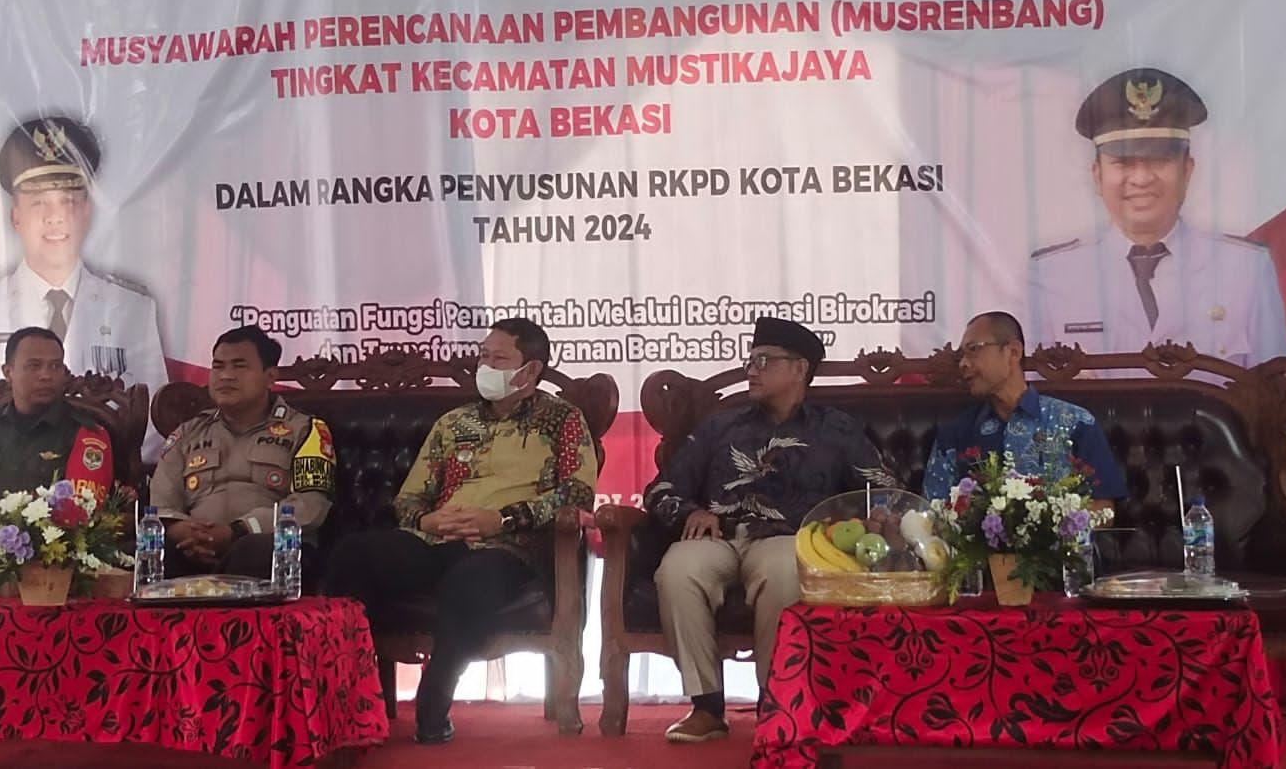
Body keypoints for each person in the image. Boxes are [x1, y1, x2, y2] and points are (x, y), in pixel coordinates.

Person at [322, 318, 598, 745]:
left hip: (509, 547)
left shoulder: (563, 420)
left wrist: (504, 519)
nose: (485, 366)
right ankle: (348, 697)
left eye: (499, 359)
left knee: (471, 580)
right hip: (438, 539)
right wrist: (425, 520)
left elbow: (577, 494)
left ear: (530, 370)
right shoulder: (454, 422)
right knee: (354, 554)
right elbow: (410, 498)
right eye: (483, 356)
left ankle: (434, 700)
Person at [642, 317, 897, 744]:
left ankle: (776, 703)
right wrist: (688, 511)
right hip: (721, 536)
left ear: (800, 369)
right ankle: (706, 707)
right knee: (678, 568)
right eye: (750, 361)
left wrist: (867, 521)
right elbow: (660, 489)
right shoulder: (721, 426)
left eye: (764, 361)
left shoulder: (835, 428)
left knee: (784, 568)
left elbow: (884, 488)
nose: (751, 370)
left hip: (789, 536)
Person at [1029, 68, 1286, 368]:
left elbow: (1273, 391)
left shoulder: (1245, 270)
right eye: (1123, 163)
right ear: (1098, 175)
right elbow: (1033, 390)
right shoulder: (1051, 275)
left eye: (1159, 160)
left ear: (1187, 171)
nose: (1141, 179)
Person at [0, 116, 168, 407]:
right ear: (16, 217)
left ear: (86, 213)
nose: (54, 217)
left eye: (67, 202)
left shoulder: (133, 310)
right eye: (38, 203)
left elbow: (154, 420)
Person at [148, 325, 335, 579]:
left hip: (266, 546)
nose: (226, 376)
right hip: (193, 549)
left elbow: (310, 506)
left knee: (256, 550)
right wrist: (185, 533)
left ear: (270, 376)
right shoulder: (187, 433)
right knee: (145, 551)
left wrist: (238, 531)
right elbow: (162, 505)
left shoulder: (305, 430)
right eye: (218, 366)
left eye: (239, 366)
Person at [923, 312, 1125, 511]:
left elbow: (1103, 509)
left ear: (1013, 352)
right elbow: (932, 511)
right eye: (961, 356)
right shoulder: (954, 434)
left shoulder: (1076, 423)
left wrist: (1052, 525)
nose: (963, 364)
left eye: (974, 349)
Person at [0, 327, 115, 529]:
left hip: (54, 546)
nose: (46, 375)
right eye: (34, 366)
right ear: (8, 372)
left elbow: (83, 516)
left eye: (55, 366)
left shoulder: (85, 434)